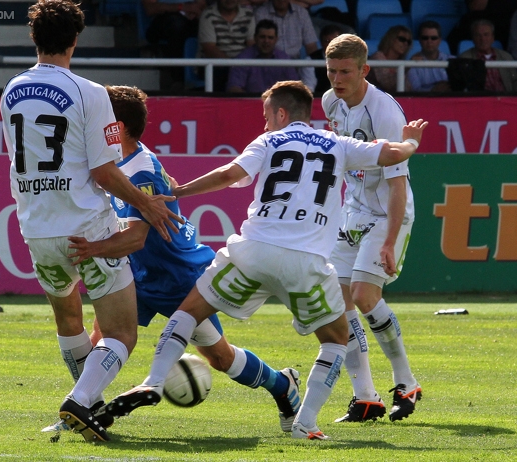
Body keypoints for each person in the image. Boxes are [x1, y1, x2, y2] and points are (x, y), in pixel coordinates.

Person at [102, 80, 428, 440]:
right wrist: (412, 138)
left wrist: (178, 191)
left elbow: (229, 175)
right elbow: (395, 154)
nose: (264, 123)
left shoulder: (270, 141)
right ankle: (305, 424)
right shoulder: (339, 144)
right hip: (306, 262)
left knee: (188, 311)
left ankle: (154, 379)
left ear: (282, 114)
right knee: (336, 339)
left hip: (252, 251)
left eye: (266, 115)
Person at [62, 84, 303, 436]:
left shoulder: (141, 171)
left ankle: (282, 385)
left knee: (220, 358)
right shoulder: (117, 161)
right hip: (142, 273)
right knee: (104, 334)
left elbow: (135, 237)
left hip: (177, 276)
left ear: (119, 127)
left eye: (100, 118)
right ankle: (82, 407)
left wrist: (92, 249)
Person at [0, 0, 182, 443]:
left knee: (69, 321)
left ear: (34, 38)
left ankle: (86, 408)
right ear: (75, 39)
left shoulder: (10, 90)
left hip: (36, 228)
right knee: (120, 331)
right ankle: (79, 402)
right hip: (86, 226)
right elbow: (103, 171)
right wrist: (148, 203)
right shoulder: (91, 92)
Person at [323, 33, 421, 423]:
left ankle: (406, 382)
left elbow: (397, 184)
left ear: (365, 70)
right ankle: (365, 397)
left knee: (364, 295)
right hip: (352, 212)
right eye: (331, 71)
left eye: (345, 71)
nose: (337, 79)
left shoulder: (384, 112)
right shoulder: (331, 102)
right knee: (338, 303)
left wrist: (391, 240)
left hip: (386, 215)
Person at [254, 0, 320, 88]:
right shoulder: (261, 13)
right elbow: (258, 42)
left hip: (296, 67)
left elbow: (311, 47)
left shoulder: (301, 13)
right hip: (269, 65)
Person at [141, 0, 207, 86]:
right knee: (177, 26)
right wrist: (181, 7)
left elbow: (202, 3)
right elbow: (151, 8)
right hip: (163, 19)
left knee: (208, 23)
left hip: (191, 16)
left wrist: (194, 10)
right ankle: (178, 80)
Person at [227, 19, 300, 92]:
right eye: (262, 37)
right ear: (255, 38)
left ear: (276, 39)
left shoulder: (284, 59)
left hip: (279, 103)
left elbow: (295, 89)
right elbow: (234, 89)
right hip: (250, 102)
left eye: (270, 37)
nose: (266, 41)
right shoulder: (242, 59)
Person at [198, 0, 256, 91]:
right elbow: (209, 49)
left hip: (241, 63)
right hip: (216, 64)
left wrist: (239, 65)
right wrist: (232, 65)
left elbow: (251, 44)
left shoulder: (248, 14)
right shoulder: (207, 15)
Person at [458, 19, 517, 92]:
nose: (482, 39)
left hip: (504, 100)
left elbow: (515, 81)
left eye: (486, 35)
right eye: (478, 35)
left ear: (492, 38)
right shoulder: (464, 58)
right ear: (473, 39)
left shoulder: (506, 57)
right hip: (480, 101)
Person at [407, 20, 453, 92]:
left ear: (440, 40)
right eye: (425, 38)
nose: (429, 41)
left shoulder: (453, 60)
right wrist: (433, 90)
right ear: (420, 40)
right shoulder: (412, 63)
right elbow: (415, 92)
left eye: (433, 38)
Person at [369, 25, 413, 93]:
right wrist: (406, 68)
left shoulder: (401, 62)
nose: (405, 43)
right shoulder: (378, 57)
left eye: (408, 42)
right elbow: (387, 84)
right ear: (391, 38)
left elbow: (408, 89)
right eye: (402, 39)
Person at [310, 23, 342, 94]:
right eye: (327, 41)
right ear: (321, 43)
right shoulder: (310, 61)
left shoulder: (352, 58)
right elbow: (309, 90)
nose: (331, 44)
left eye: (335, 41)